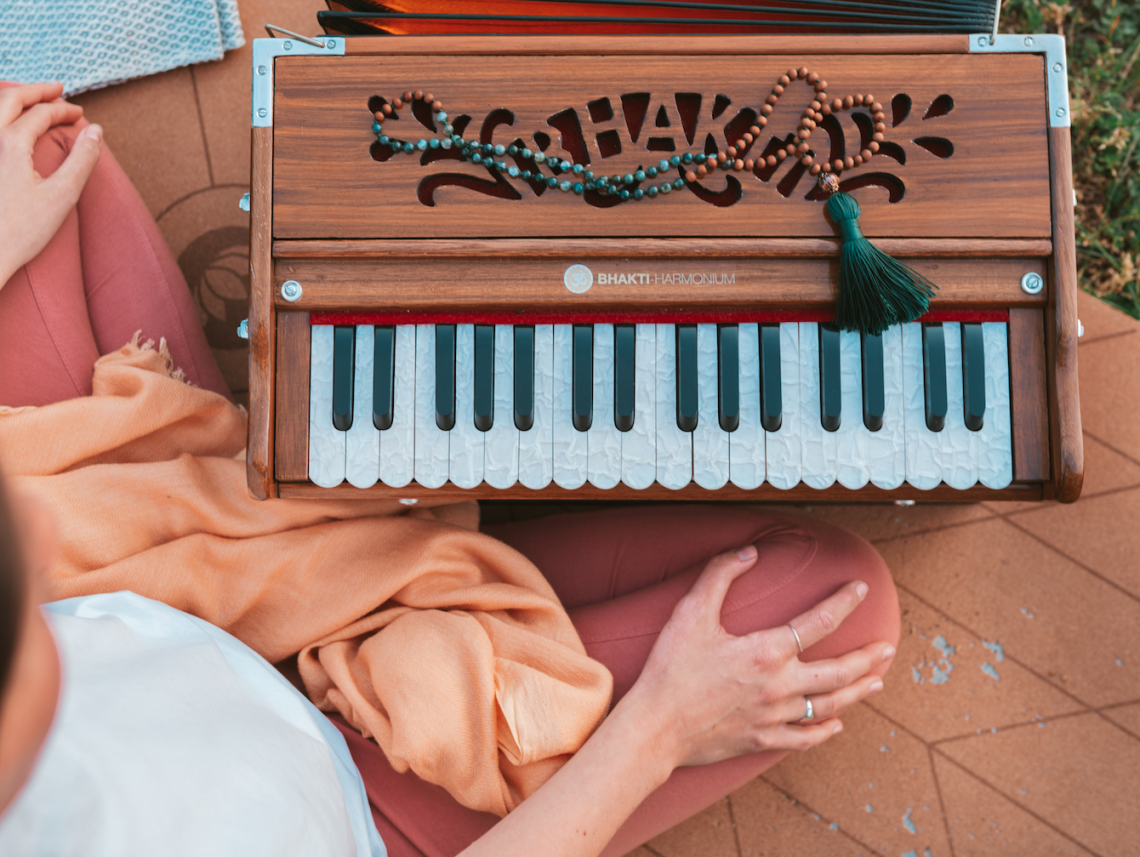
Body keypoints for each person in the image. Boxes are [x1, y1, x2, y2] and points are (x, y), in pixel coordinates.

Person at [0, 80, 899, 857]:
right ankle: (369, 528)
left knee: (31, 139)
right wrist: (661, 729)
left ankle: (326, 507)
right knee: (843, 604)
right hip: (362, 797)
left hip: (108, 563)